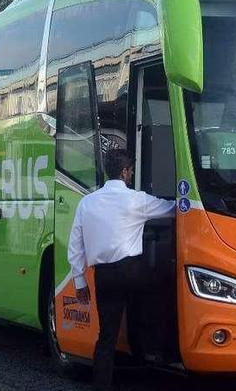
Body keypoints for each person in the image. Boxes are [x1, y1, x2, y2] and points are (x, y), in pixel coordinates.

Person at [67, 149, 176, 390]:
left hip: (104, 276)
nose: (131, 174)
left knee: (107, 335)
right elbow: (172, 209)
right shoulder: (136, 200)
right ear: (125, 172)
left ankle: (101, 385)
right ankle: (156, 349)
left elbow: (76, 245)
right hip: (132, 272)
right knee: (166, 285)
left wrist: (79, 281)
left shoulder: (87, 203)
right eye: (131, 171)